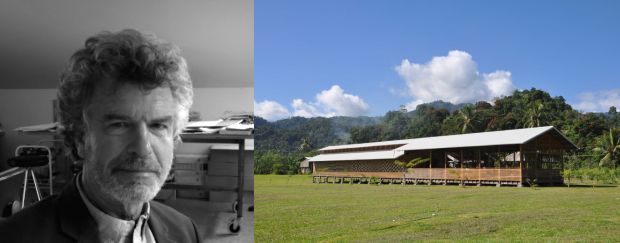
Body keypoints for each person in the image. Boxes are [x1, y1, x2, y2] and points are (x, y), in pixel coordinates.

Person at [0, 29, 200, 243]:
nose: (143, 148)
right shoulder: (13, 237)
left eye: (159, 125)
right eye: (119, 125)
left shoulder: (185, 230)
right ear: (78, 138)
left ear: (175, 136)